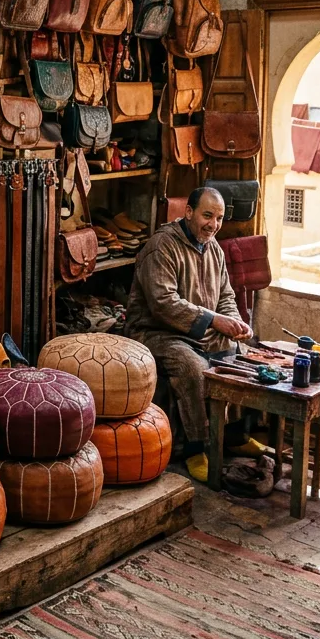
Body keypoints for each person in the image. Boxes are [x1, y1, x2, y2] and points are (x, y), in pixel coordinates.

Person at [124, 186, 257, 483]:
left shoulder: (214, 248)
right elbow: (163, 303)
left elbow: (226, 296)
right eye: (207, 215)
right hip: (156, 332)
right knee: (192, 367)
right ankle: (195, 448)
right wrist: (214, 320)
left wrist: (235, 323)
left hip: (201, 330)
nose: (213, 224)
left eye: (219, 218)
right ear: (188, 212)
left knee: (241, 354)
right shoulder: (162, 246)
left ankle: (234, 435)